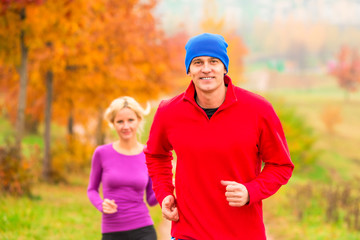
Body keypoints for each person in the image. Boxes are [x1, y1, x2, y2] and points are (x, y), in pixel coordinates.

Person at [144, 33, 294, 240]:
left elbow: (281, 165)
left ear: (224, 67)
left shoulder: (259, 110)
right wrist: (165, 193)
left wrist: (252, 191)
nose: (206, 68)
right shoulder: (168, 112)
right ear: (189, 69)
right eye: (198, 62)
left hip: (243, 233)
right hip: (188, 233)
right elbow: (156, 155)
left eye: (214, 61)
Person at [87, 96, 158, 240]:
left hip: (143, 230)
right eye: (120, 121)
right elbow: (92, 190)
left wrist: (170, 186)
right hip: (112, 231)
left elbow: (151, 199)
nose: (126, 126)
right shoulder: (102, 153)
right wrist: (101, 204)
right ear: (113, 123)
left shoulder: (149, 154)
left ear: (139, 120)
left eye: (130, 120)